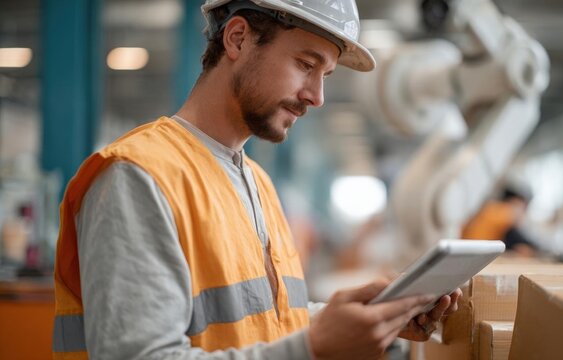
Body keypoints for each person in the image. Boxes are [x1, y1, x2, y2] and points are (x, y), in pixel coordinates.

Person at [52, 0, 462, 359]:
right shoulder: (136, 177)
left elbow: (264, 325)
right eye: (305, 64)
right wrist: (313, 349)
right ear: (238, 39)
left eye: (326, 75)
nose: (316, 96)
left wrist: (363, 318)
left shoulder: (257, 182)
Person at [462, 184, 538, 257]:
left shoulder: (488, 208)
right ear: (515, 201)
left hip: (468, 251)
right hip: (482, 254)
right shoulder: (506, 213)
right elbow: (517, 238)